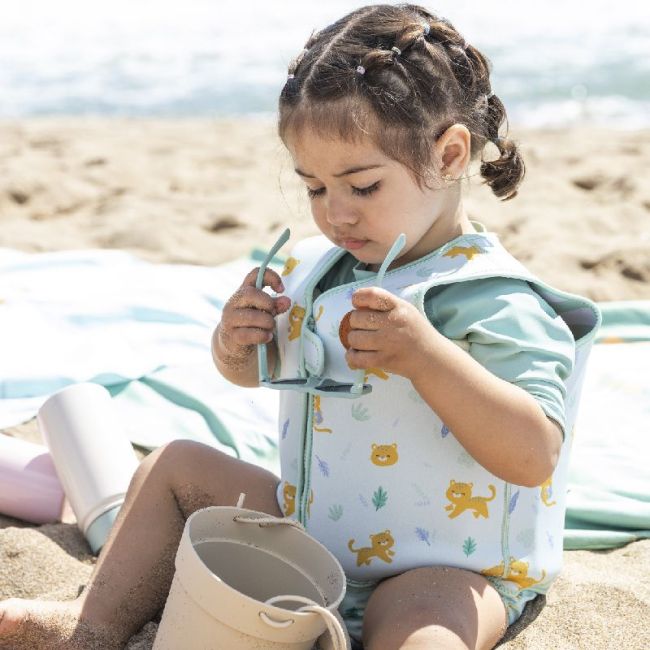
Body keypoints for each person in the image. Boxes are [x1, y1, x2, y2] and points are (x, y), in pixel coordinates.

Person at [0, 4, 600, 650]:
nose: (335, 214)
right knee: (172, 468)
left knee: (424, 635)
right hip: (312, 534)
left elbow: (536, 452)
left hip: (442, 564)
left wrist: (425, 357)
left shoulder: (492, 296)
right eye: (314, 188)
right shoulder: (327, 277)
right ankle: (92, 626)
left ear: (449, 155)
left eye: (362, 187)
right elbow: (254, 372)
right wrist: (236, 342)